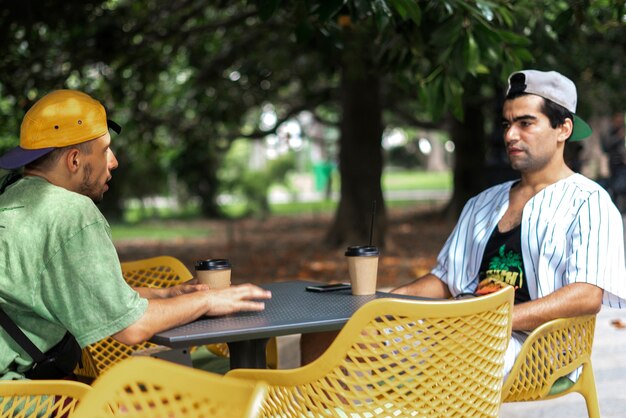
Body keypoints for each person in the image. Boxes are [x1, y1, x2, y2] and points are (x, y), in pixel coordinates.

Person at [302, 70, 626, 381]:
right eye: (507, 123)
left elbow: (585, 295)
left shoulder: (588, 201)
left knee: (440, 355)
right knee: (331, 333)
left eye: (526, 123)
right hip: (462, 329)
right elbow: (445, 281)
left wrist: (491, 321)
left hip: (538, 346)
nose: (511, 135)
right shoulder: (483, 203)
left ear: (563, 129)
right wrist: (380, 305)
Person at [0, 89, 271, 380]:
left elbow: (93, 297)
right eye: (105, 150)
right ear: (75, 160)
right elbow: (132, 329)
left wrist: (169, 294)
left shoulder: (10, 194)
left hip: (21, 385)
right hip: (18, 400)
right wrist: (209, 301)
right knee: (159, 403)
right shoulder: (70, 213)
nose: (114, 161)